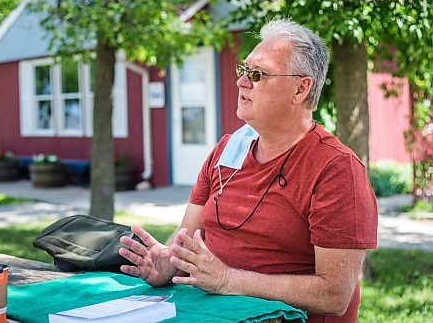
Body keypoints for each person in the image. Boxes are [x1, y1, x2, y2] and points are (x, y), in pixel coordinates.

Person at [119, 19, 378, 323]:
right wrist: (168, 264)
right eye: (243, 71)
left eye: (258, 75)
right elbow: (185, 237)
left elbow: (335, 295)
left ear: (301, 88)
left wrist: (228, 279)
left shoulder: (336, 168)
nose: (242, 82)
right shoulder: (226, 150)